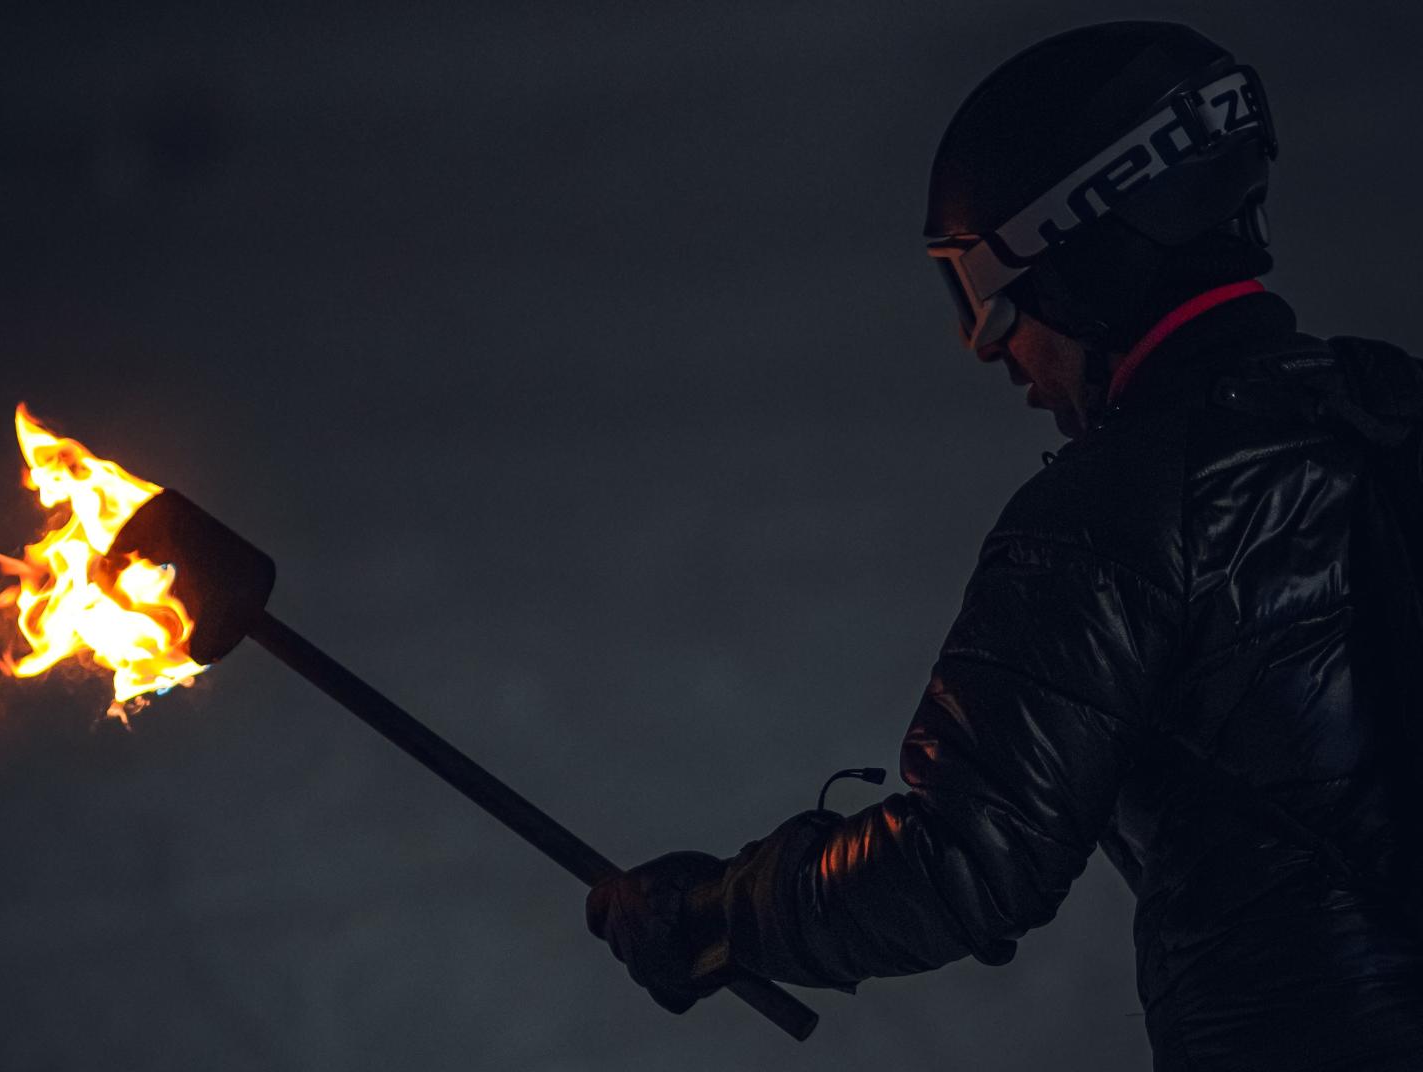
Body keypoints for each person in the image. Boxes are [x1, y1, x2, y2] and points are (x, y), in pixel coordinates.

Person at [584, 21, 1423, 1071]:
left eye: (984, 297)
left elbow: (963, 860)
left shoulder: (1113, 508)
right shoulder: (1388, 410)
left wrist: (710, 911)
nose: (993, 352)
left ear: (1075, 254)